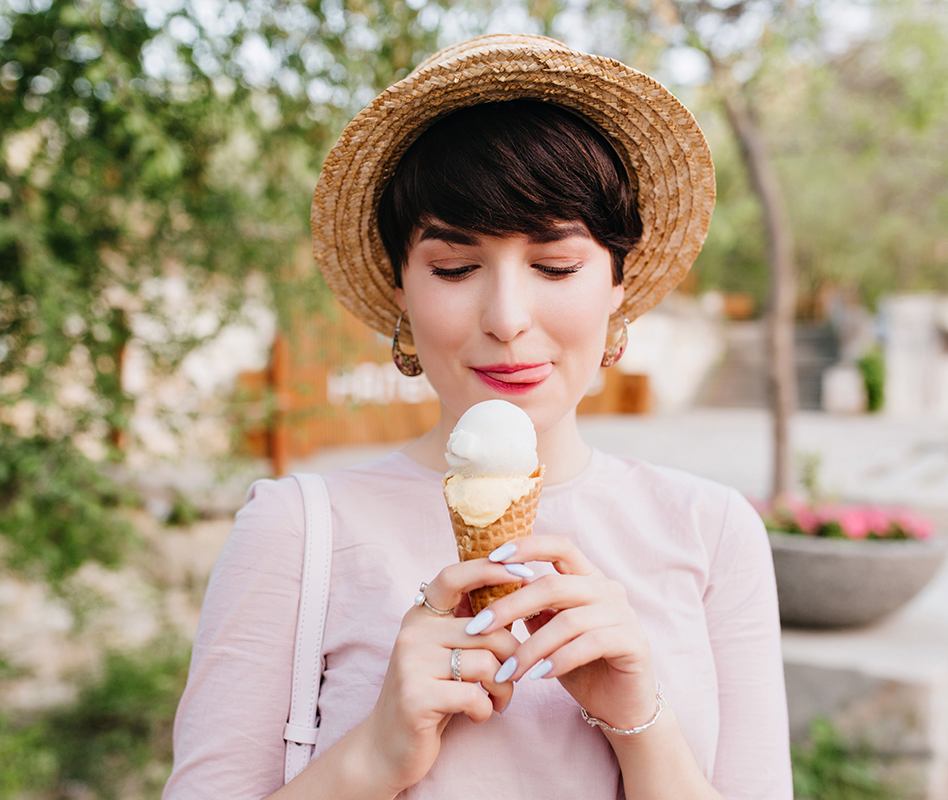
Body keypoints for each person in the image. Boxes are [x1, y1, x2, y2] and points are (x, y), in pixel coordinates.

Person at [164, 34, 791, 800]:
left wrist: (640, 723)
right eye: (454, 268)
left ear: (618, 281)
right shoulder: (296, 530)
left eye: (555, 266)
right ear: (401, 285)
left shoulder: (712, 532)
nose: (506, 317)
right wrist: (374, 755)